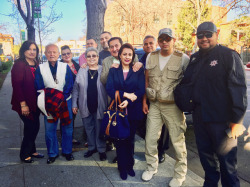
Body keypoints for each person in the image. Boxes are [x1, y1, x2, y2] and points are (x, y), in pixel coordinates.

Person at [180, 22, 247, 187]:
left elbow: (238, 89)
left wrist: (237, 121)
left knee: (227, 164)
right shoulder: (195, 58)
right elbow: (186, 84)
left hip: (222, 120)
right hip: (200, 117)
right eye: (200, 35)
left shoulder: (228, 55)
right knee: (207, 160)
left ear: (217, 33)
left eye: (208, 34)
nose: (204, 39)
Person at [141, 28, 190, 187]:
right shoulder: (151, 56)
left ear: (173, 40)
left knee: (178, 142)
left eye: (167, 39)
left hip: (173, 106)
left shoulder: (183, 58)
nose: (164, 42)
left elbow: (188, 83)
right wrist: (144, 101)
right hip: (154, 104)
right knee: (150, 139)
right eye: (161, 39)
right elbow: (146, 80)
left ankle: (179, 174)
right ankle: (151, 167)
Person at [106, 43, 145, 180]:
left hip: (133, 110)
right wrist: (126, 95)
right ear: (120, 55)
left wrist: (129, 100)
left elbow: (141, 89)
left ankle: (130, 165)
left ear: (133, 56)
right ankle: (122, 167)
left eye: (130, 54)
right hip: (118, 110)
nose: (127, 57)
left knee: (130, 140)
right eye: (124, 54)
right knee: (120, 140)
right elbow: (109, 89)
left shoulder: (137, 70)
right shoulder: (113, 70)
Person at [35, 44, 74, 164]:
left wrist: (62, 98)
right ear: (45, 54)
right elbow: (39, 86)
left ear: (58, 54)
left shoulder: (65, 66)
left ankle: (67, 152)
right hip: (49, 103)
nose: (52, 54)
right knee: (49, 129)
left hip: (65, 101)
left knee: (67, 127)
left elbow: (69, 83)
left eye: (54, 52)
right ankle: (52, 153)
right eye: (49, 52)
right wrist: (51, 99)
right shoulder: (40, 68)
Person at [72, 47, 107, 161]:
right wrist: (74, 104)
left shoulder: (103, 69)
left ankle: (101, 149)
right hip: (85, 105)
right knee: (89, 128)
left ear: (98, 57)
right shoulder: (82, 70)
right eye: (89, 56)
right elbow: (75, 89)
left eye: (94, 55)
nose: (91, 58)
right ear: (85, 58)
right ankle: (92, 148)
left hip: (100, 105)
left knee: (99, 128)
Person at [11, 41, 44, 163]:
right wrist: (23, 104)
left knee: (34, 126)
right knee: (31, 127)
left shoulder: (36, 63)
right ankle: (24, 154)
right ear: (24, 50)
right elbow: (17, 86)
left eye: (34, 49)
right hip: (24, 103)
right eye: (29, 49)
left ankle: (32, 150)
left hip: (35, 102)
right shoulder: (19, 64)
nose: (32, 52)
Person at [138, 35, 170, 164]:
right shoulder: (141, 60)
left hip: (163, 98)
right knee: (148, 127)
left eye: (151, 43)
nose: (148, 46)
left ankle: (161, 151)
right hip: (147, 97)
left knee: (164, 128)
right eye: (145, 44)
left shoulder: (161, 56)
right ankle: (151, 150)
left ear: (155, 44)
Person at [60, 45, 80, 145]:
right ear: (61, 56)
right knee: (66, 117)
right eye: (64, 54)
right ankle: (65, 138)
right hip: (66, 96)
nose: (66, 55)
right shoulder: (60, 66)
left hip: (77, 96)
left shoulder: (77, 65)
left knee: (73, 117)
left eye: (68, 53)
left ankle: (70, 137)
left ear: (71, 54)